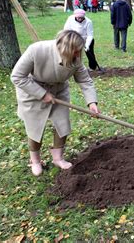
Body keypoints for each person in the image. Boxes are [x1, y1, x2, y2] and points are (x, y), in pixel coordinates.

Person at [10, 30, 100, 176]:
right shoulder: (36, 50)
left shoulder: (75, 58)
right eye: (75, 51)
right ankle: (35, 161)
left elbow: (84, 80)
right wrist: (42, 94)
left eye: (79, 51)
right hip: (32, 90)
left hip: (59, 90)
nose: (78, 55)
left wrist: (92, 102)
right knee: (35, 126)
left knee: (62, 123)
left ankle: (58, 158)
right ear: (65, 49)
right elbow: (17, 77)